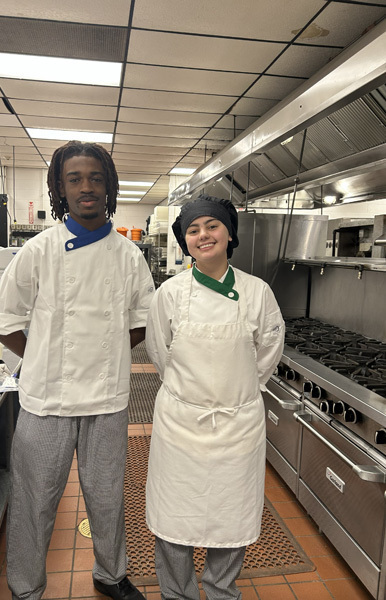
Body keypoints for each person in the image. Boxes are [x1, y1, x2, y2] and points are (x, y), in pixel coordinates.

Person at [0, 141, 155, 600]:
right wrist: (43, 358)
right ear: (60, 189)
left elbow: (143, 321)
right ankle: (26, 589)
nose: (87, 187)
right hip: (46, 401)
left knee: (107, 497)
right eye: (75, 179)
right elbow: (4, 323)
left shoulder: (128, 256)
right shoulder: (38, 251)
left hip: (107, 400)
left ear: (109, 186)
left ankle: (111, 574)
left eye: (96, 178)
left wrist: (108, 354)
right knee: (34, 501)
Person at [145, 194, 285, 600]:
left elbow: (268, 352)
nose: (202, 235)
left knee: (231, 516)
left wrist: (237, 393)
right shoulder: (169, 294)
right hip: (181, 424)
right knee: (174, 515)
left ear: (229, 234)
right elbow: (159, 353)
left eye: (211, 226)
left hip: (238, 423)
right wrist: (191, 397)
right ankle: (178, 593)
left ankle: (222, 590)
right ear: (184, 241)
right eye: (192, 230)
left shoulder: (257, 292)